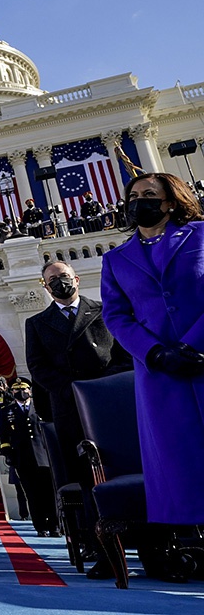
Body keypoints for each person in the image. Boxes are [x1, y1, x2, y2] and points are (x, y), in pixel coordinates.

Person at [100, 172, 204, 527]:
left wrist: (192, 344)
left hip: (201, 357)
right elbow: (116, 316)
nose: (138, 201)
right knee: (179, 459)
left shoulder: (201, 235)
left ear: (170, 202)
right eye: (132, 196)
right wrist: (156, 353)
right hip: (160, 374)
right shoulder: (115, 260)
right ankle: (191, 535)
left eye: (148, 194)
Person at [25, 260, 131, 577]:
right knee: (89, 482)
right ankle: (104, 553)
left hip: (111, 406)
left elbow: (123, 355)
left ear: (77, 278)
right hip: (71, 410)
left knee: (126, 470)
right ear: (44, 287)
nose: (60, 283)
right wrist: (72, 388)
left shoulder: (103, 310)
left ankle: (153, 548)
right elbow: (38, 368)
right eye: (53, 280)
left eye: (64, 277)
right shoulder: (37, 323)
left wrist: (102, 387)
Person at [0, 379, 59, 537]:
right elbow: (3, 435)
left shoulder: (41, 407)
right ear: (12, 392)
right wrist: (8, 454)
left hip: (44, 457)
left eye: (23, 389)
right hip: (22, 459)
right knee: (32, 494)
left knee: (49, 493)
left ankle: (54, 525)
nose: (21, 393)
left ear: (30, 391)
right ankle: (40, 526)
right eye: (17, 390)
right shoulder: (7, 411)